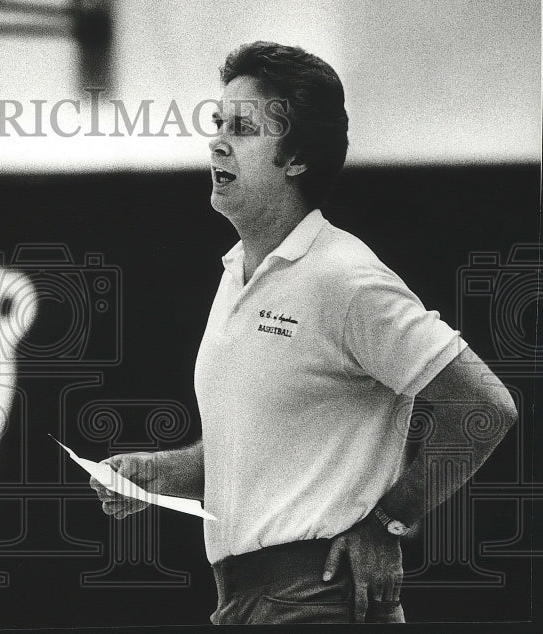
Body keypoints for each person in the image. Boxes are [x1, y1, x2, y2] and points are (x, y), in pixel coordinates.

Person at [89, 42, 517, 624]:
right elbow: (270, 457)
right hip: (244, 600)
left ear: (296, 160)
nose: (217, 141)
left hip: (319, 599)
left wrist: (391, 519)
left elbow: (485, 405)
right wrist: (162, 473)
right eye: (219, 123)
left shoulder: (344, 277)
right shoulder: (237, 274)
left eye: (243, 128)